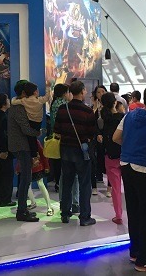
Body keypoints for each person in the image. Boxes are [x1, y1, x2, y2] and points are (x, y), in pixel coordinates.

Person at [112, 84, 146, 273]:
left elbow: (116, 137)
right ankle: (145, 260)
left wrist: (130, 147)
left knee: (134, 212)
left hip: (126, 166)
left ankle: (135, 252)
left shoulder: (129, 115)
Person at [54, 80, 98, 226]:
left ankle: (65, 213)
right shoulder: (88, 111)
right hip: (81, 151)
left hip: (65, 149)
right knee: (84, 184)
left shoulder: (62, 109)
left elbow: (57, 130)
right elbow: (92, 133)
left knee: (67, 182)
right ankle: (85, 217)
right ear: (82, 91)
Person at [8, 80, 41, 222]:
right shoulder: (18, 108)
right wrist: (37, 132)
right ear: (23, 93)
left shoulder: (17, 106)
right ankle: (21, 211)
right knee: (26, 179)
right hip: (21, 146)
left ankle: (23, 209)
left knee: (26, 178)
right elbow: (25, 129)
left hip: (21, 146)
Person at [100, 92, 125, 224]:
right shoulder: (123, 118)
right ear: (115, 103)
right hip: (125, 156)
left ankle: (118, 215)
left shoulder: (102, 120)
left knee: (115, 189)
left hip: (110, 156)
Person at [11, 82, 51, 159]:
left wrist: (15, 97)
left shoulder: (24, 100)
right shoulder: (39, 100)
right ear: (35, 92)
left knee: (31, 138)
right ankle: (35, 154)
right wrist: (48, 88)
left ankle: (34, 154)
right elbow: (47, 97)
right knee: (34, 137)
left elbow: (13, 102)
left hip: (30, 122)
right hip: (38, 122)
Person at [0, 93, 15, 207]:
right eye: (7, 99)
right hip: (4, 150)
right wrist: (5, 150)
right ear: (4, 104)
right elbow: (3, 135)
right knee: (7, 174)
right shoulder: (3, 117)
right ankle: (5, 199)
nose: (9, 101)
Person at [20, 140, 53, 215]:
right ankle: (33, 202)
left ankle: (49, 206)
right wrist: (18, 168)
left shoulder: (34, 141)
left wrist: (46, 166)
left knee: (40, 184)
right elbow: (20, 157)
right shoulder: (22, 141)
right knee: (27, 185)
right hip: (28, 166)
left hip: (37, 166)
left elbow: (42, 153)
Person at [48, 84, 70, 192]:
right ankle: (61, 183)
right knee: (63, 161)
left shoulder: (54, 102)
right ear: (64, 93)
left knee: (57, 161)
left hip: (55, 135)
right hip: (63, 136)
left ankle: (57, 182)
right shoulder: (63, 104)